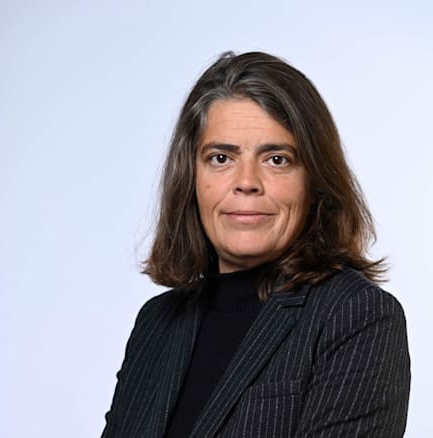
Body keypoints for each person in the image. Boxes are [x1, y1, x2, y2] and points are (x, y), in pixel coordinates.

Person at [101, 51, 410, 437]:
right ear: (191, 178)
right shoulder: (157, 323)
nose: (247, 181)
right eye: (221, 158)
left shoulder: (357, 317)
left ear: (313, 182)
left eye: (277, 159)